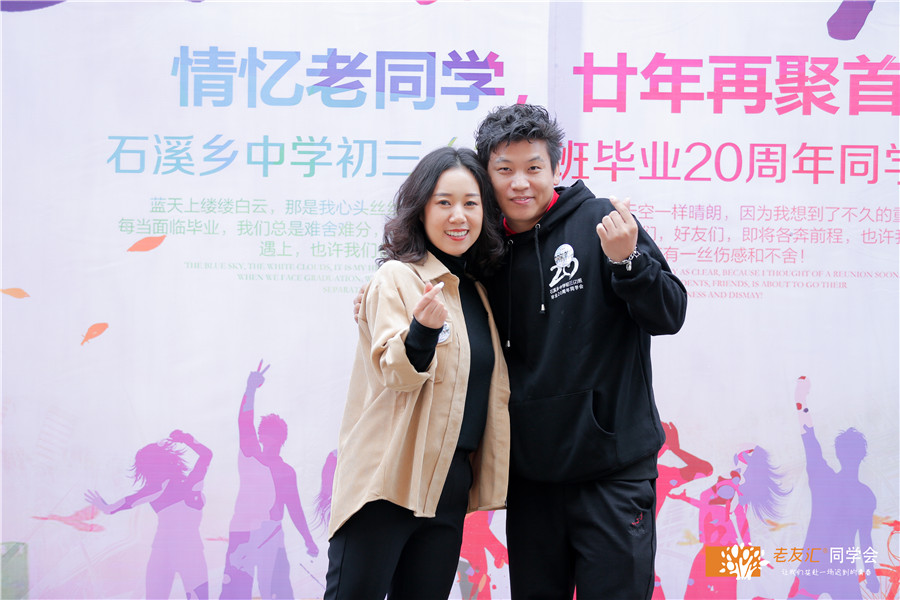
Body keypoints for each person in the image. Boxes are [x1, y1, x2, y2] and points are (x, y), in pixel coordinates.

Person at [474, 103, 688, 599]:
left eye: (533, 168)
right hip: (531, 481)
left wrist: (628, 261)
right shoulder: (485, 252)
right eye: (505, 170)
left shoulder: (603, 222)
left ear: (556, 168)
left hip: (612, 474)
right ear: (487, 175)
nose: (520, 183)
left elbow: (670, 314)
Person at [325, 146, 510, 600]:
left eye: (470, 203)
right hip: (386, 479)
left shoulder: (480, 294)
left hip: (448, 489)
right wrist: (422, 332)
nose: (458, 216)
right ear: (421, 209)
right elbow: (397, 373)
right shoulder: (397, 278)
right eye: (444, 202)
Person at [220, 361, 318, 600]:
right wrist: (250, 389)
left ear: (282, 439)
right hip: (243, 531)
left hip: (272, 534)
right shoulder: (250, 455)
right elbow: (244, 422)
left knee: (278, 593)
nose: (268, 437)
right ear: (261, 435)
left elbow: (295, 509)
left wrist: (308, 539)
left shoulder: (286, 471)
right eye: (265, 432)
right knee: (234, 593)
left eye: (274, 434)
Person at [85, 430, 213, 599]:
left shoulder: (155, 490)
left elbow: (115, 507)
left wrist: (103, 506)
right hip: (189, 550)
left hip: (162, 551)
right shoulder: (190, 485)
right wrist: (186, 439)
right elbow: (206, 455)